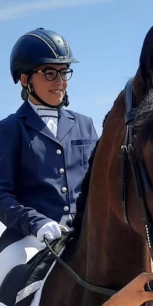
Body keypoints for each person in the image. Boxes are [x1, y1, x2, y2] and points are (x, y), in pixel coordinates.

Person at [0, 28, 98, 286]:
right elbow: (2, 195)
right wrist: (36, 223)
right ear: (25, 79)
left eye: (64, 72)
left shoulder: (85, 125)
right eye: (50, 73)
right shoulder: (10, 129)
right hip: (30, 237)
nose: (61, 81)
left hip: (86, 234)